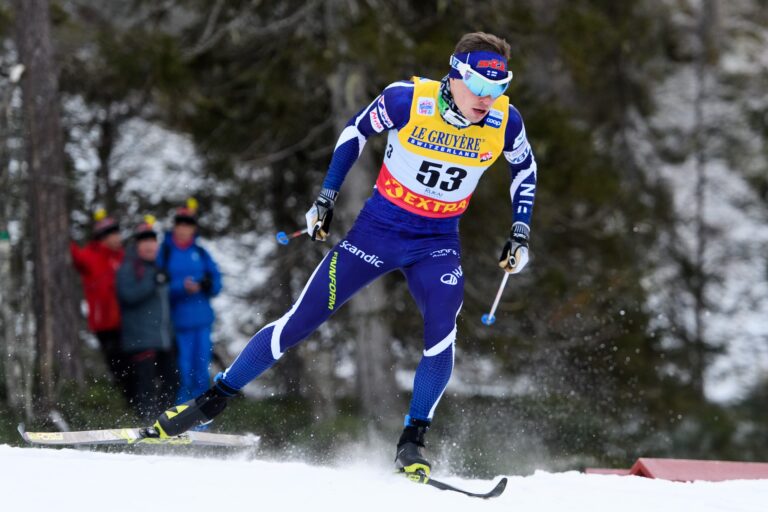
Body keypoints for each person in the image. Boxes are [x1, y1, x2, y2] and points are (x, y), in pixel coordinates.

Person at [154, 32, 538, 478]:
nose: (489, 99)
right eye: (481, 86)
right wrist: (326, 197)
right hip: (376, 234)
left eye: (499, 88)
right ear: (455, 75)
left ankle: (412, 440)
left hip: (436, 243)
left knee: (442, 328)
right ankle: (212, 400)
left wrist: (520, 230)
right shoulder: (406, 100)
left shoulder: (505, 122)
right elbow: (355, 130)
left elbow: (525, 169)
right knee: (302, 319)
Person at [158, 201, 222, 403]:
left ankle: (200, 420)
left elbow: (217, 283)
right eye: (181, 224)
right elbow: (159, 287)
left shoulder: (202, 253)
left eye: (189, 224)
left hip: (202, 323)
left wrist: (204, 285)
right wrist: (181, 287)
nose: (184, 228)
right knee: (182, 374)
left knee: (201, 373)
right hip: (177, 324)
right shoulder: (165, 253)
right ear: (175, 226)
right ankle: (179, 418)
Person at [116, 217, 178, 420]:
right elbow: (128, 296)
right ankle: (146, 422)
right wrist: (153, 282)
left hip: (162, 340)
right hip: (140, 340)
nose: (150, 245)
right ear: (137, 245)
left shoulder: (157, 269)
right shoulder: (129, 268)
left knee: (172, 380)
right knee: (145, 386)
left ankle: (164, 423)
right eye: (145, 241)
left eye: (153, 241)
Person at [70, 210, 127, 391]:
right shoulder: (89, 255)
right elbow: (74, 255)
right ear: (104, 237)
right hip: (104, 323)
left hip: (126, 321)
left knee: (134, 364)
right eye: (114, 234)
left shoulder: (122, 256)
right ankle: (123, 401)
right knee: (116, 365)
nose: (118, 238)